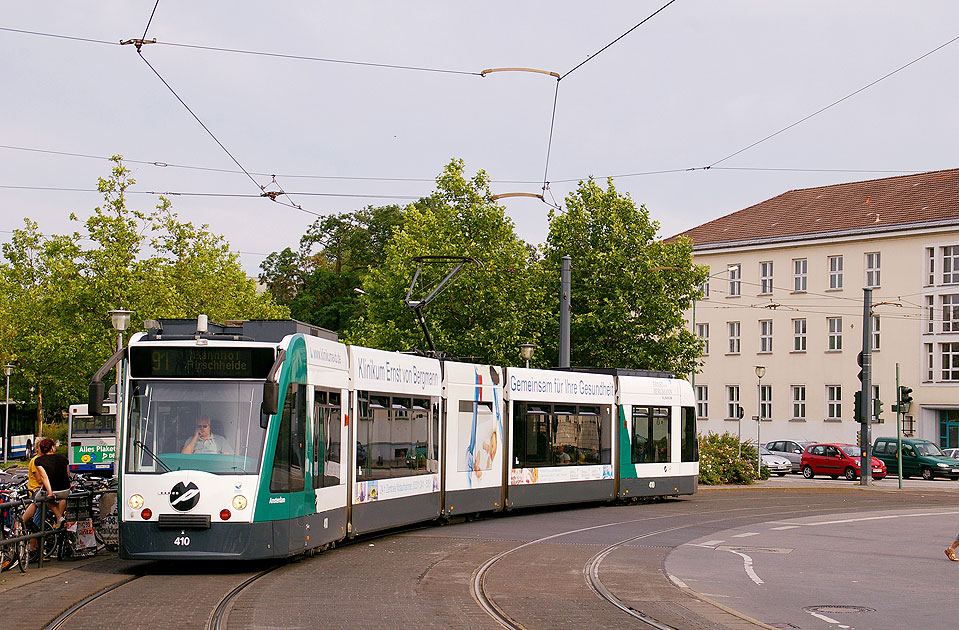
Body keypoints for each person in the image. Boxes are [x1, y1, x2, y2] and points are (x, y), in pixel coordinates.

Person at [34, 438, 70, 526]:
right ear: (52, 448)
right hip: (65, 490)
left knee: (38, 500)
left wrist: (50, 492)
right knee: (62, 498)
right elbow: (68, 474)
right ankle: (59, 521)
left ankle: (58, 517)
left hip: (51, 490)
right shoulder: (63, 458)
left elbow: (44, 477)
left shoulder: (38, 461)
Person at [20, 441, 42, 528]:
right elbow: (40, 480)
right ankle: (34, 528)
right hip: (36, 489)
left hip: (43, 489)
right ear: (37, 448)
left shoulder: (43, 460)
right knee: (41, 504)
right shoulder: (35, 461)